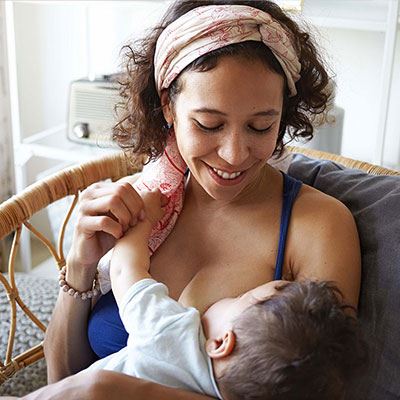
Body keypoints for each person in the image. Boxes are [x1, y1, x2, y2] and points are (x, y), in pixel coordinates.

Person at [37, 1, 362, 399]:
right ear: (169, 107)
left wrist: (112, 389)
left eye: (262, 126)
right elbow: (59, 380)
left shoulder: (317, 226)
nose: (234, 154)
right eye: (209, 124)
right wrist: (81, 265)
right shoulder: (148, 198)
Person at [84, 189, 367, 400]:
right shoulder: (230, 392)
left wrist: (143, 222)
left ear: (220, 343)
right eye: (209, 124)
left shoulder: (173, 332)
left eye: (240, 298)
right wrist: (78, 268)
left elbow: (124, 270)